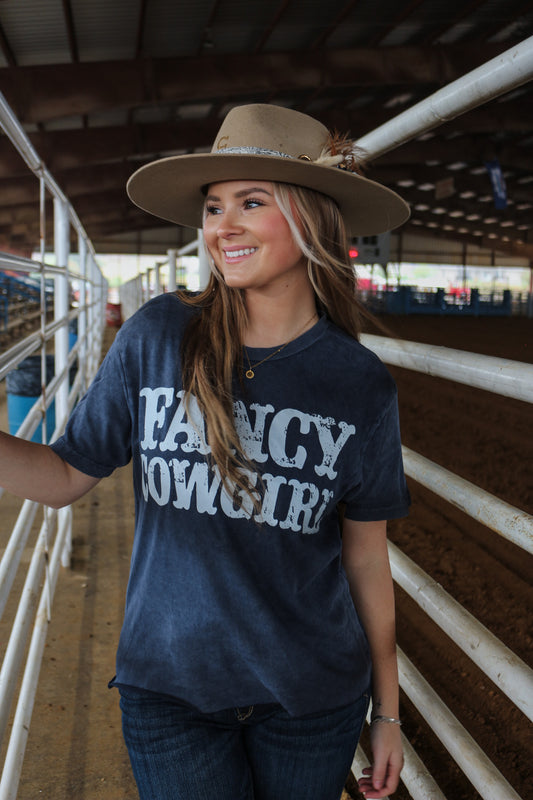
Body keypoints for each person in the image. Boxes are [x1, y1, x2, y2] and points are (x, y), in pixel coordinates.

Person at [0, 104, 410, 800]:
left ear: (312, 218)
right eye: (214, 206)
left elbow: (365, 556)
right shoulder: (160, 334)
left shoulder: (357, 382)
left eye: (251, 202)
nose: (223, 226)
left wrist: (388, 712)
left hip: (310, 698)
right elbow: (66, 474)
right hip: (171, 687)